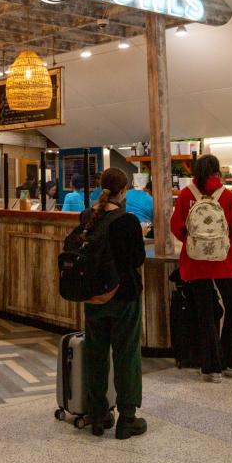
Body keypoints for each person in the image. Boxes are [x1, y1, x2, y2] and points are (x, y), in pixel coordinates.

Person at [170, 155, 232, 382]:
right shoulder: (226, 195)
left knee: (205, 313)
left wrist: (193, 241)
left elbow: (176, 226)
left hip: (194, 262)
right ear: (217, 171)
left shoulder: (186, 195)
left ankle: (211, 368)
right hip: (223, 262)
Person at [80, 168, 147, 439]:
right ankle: (127, 418)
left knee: (96, 354)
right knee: (126, 355)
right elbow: (137, 259)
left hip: (93, 298)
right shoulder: (127, 221)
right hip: (124, 297)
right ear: (123, 191)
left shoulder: (87, 217)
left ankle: (98, 415)